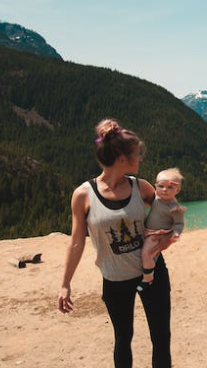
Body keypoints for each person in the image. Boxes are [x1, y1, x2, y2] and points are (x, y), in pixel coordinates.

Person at [58, 118, 177, 368]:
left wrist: (168, 236)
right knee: (123, 338)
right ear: (122, 158)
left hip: (153, 273)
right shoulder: (83, 195)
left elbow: (169, 211)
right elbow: (77, 243)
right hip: (114, 279)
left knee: (161, 338)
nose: (140, 159)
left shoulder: (140, 187)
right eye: (137, 154)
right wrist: (65, 284)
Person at [137, 168, 186, 292]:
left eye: (170, 188)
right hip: (148, 231)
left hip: (157, 234)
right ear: (156, 186)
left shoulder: (174, 207)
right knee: (150, 254)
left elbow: (179, 223)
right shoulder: (156, 198)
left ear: (177, 190)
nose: (164, 190)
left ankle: (148, 278)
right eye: (161, 186)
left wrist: (175, 233)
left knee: (146, 254)